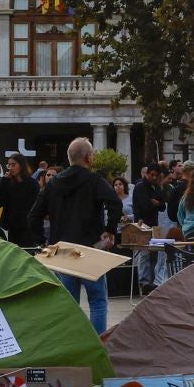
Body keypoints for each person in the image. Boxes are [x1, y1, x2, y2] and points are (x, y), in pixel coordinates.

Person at [30, 137, 120, 332]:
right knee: (97, 301)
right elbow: (115, 202)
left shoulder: (53, 185)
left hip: (62, 250)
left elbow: (33, 215)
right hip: (90, 247)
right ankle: (98, 345)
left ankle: (72, 344)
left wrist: (42, 242)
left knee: (70, 304)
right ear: (88, 157)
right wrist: (110, 230)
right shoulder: (94, 181)